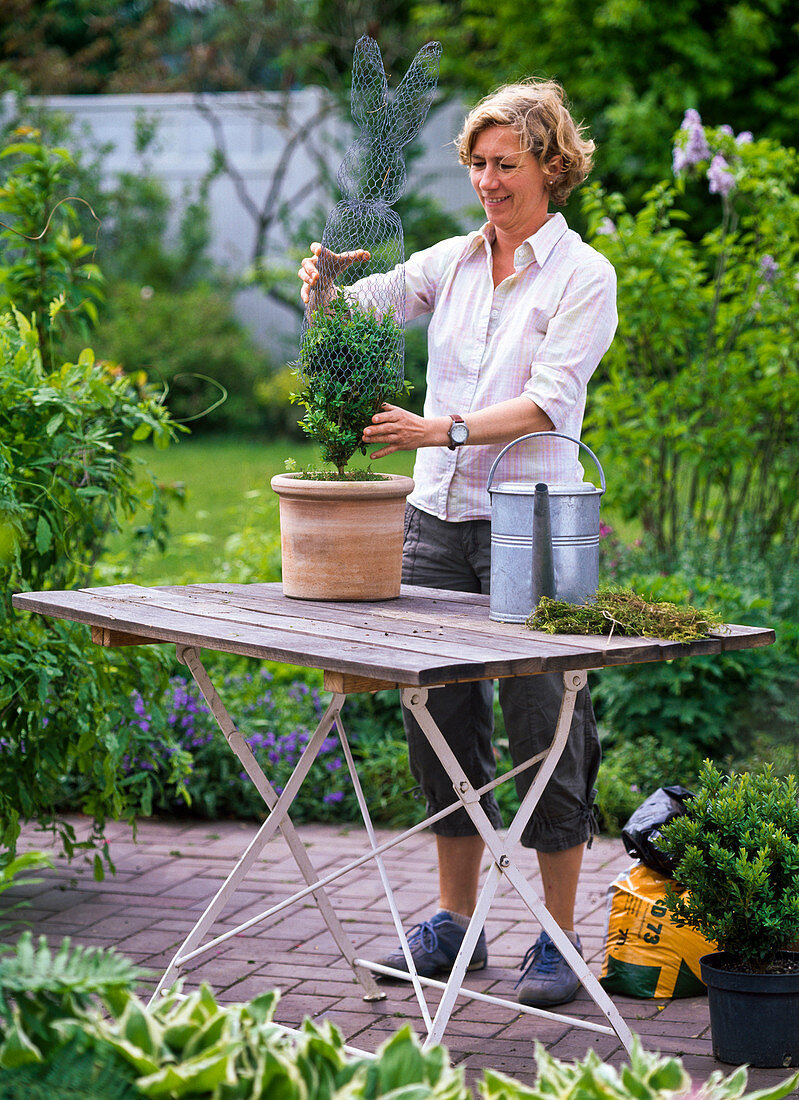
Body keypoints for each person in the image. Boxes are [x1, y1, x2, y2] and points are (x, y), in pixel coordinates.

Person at [298, 79, 617, 1008]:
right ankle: (455, 925)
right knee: (436, 721)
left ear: (551, 167)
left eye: (503, 164)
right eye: (476, 164)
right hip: (435, 523)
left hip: (534, 528)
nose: (485, 180)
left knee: (546, 725)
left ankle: (558, 937)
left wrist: (437, 429)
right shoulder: (451, 261)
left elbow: (549, 402)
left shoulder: (581, 277)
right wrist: (321, 287)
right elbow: (358, 314)